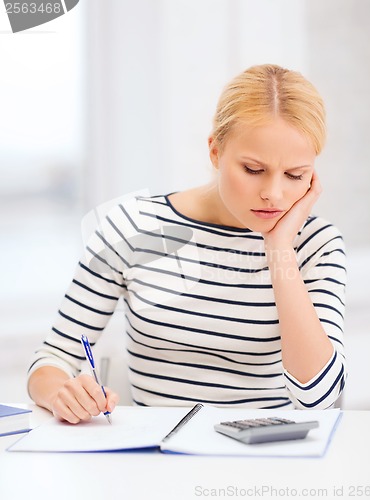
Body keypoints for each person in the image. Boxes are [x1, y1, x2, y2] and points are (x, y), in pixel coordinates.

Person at [28, 64, 347, 424]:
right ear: (215, 151)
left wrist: (279, 248)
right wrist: (61, 393)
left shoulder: (317, 245)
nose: (273, 194)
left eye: (295, 175)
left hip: (265, 461)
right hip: (156, 462)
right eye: (253, 170)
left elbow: (318, 396)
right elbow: (53, 358)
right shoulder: (133, 227)